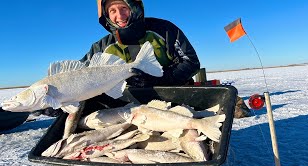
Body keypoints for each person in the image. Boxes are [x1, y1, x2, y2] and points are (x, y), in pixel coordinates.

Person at [33, 0, 200, 117]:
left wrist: (162, 79)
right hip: (125, 106)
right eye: (112, 11)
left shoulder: (164, 30)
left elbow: (191, 61)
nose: (119, 15)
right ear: (106, 15)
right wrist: (60, 102)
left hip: (172, 98)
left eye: (124, 7)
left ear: (134, 7)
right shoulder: (102, 46)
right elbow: (79, 78)